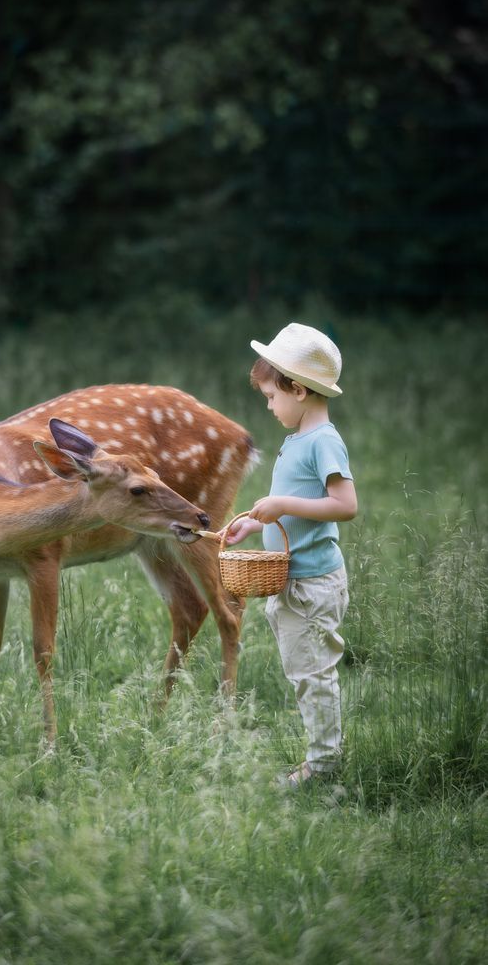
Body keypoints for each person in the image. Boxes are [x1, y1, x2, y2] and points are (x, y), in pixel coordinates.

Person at [222, 323, 358, 788]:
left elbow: (345, 505)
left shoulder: (323, 441)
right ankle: (322, 757)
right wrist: (257, 523)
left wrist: (281, 505)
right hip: (292, 582)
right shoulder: (299, 438)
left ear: (297, 390)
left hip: (311, 586)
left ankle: (324, 766)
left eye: (271, 396)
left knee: (314, 674)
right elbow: (296, 506)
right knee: (303, 672)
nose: (268, 405)